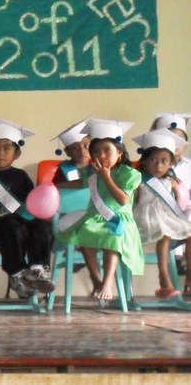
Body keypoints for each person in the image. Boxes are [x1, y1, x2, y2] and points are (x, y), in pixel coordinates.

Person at [56, 119, 143, 300]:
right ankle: (96, 278)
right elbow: (81, 183)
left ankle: (107, 282)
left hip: (119, 219)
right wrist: (56, 185)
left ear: (119, 153)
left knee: (113, 234)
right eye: (95, 151)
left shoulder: (129, 173)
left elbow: (122, 200)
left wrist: (106, 177)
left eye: (107, 151)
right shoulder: (91, 172)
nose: (101, 155)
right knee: (84, 231)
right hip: (95, 217)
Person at [0, 119, 56, 299]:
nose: (0, 153)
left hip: (22, 218)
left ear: (16, 154)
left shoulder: (21, 175)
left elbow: (30, 203)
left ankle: (37, 269)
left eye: (7, 148)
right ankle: (17, 273)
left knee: (41, 226)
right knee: (10, 225)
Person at [132, 129, 191, 298]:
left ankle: (189, 278)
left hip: (165, 217)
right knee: (164, 233)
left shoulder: (170, 181)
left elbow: (178, 202)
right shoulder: (137, 179)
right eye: (153, 160)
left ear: (171, 162)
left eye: (164, 161)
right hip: (144, 218)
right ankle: (164, 279)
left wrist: (175, 189)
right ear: (144, 161)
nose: (158, 166)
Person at [51, 118, 91, 185]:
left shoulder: (98, 166)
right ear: (67, 152)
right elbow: (56, 188)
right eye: (75, 148)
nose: (82, 151)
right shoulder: (63, 170)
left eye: (86, 146)